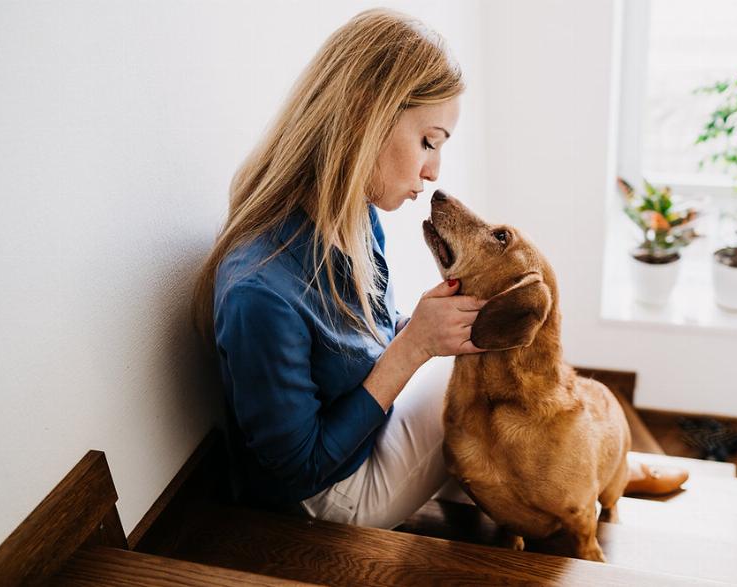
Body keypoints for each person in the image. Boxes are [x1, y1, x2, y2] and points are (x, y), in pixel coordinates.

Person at [193, 8, 686, 531]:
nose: (433, 172)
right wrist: (414, 347)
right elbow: (299, 472)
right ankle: (589, 471)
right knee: (489, 390)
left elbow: (362, 348)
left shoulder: (354, 216)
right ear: (364, 116)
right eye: (428, 141)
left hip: (370, 431)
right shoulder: (261, 295)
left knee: (487, 352)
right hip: (328, 495)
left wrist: (421, 331)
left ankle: (598, 463)